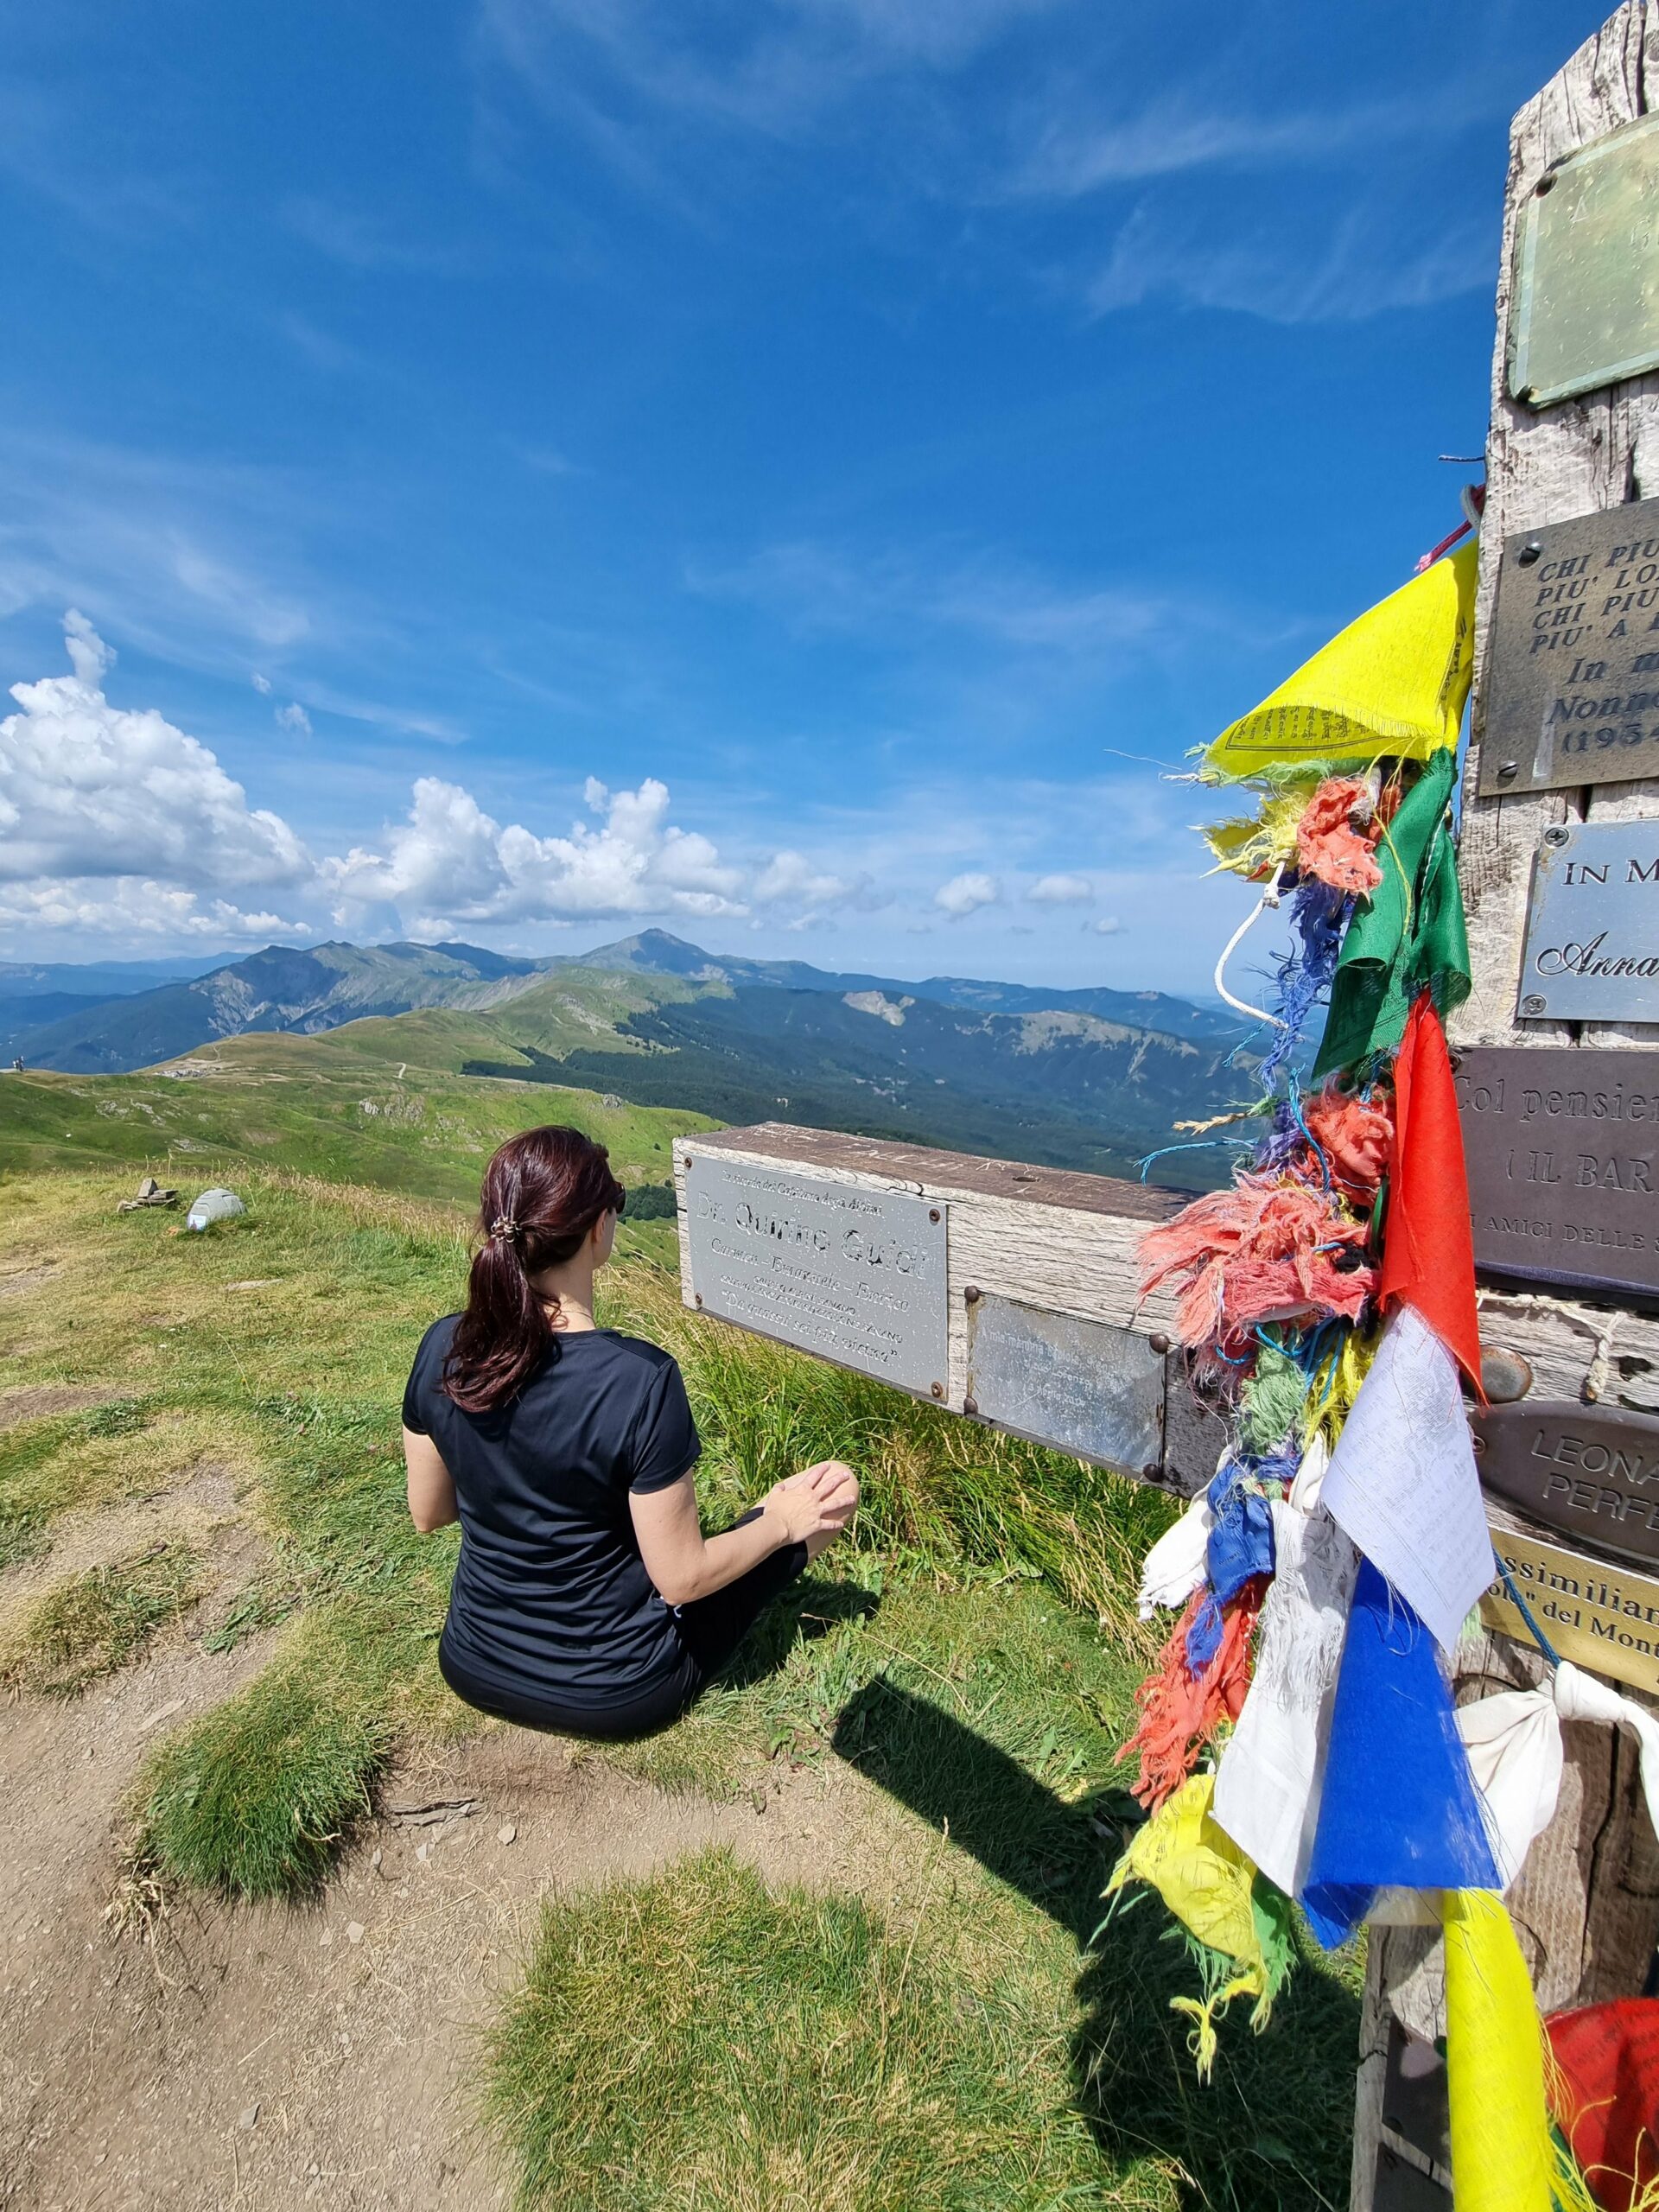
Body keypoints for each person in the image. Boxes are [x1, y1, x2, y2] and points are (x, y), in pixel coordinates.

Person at [401, 1123, 858, 1739]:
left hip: (472, 1663)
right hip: (617, 1692)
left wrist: (512, 1485)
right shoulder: (640, 1380)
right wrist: (780, 1519)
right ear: (597, 1228)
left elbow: (429, 1513)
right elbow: (683, 1577)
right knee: (827, 1497)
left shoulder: (442, 1348)